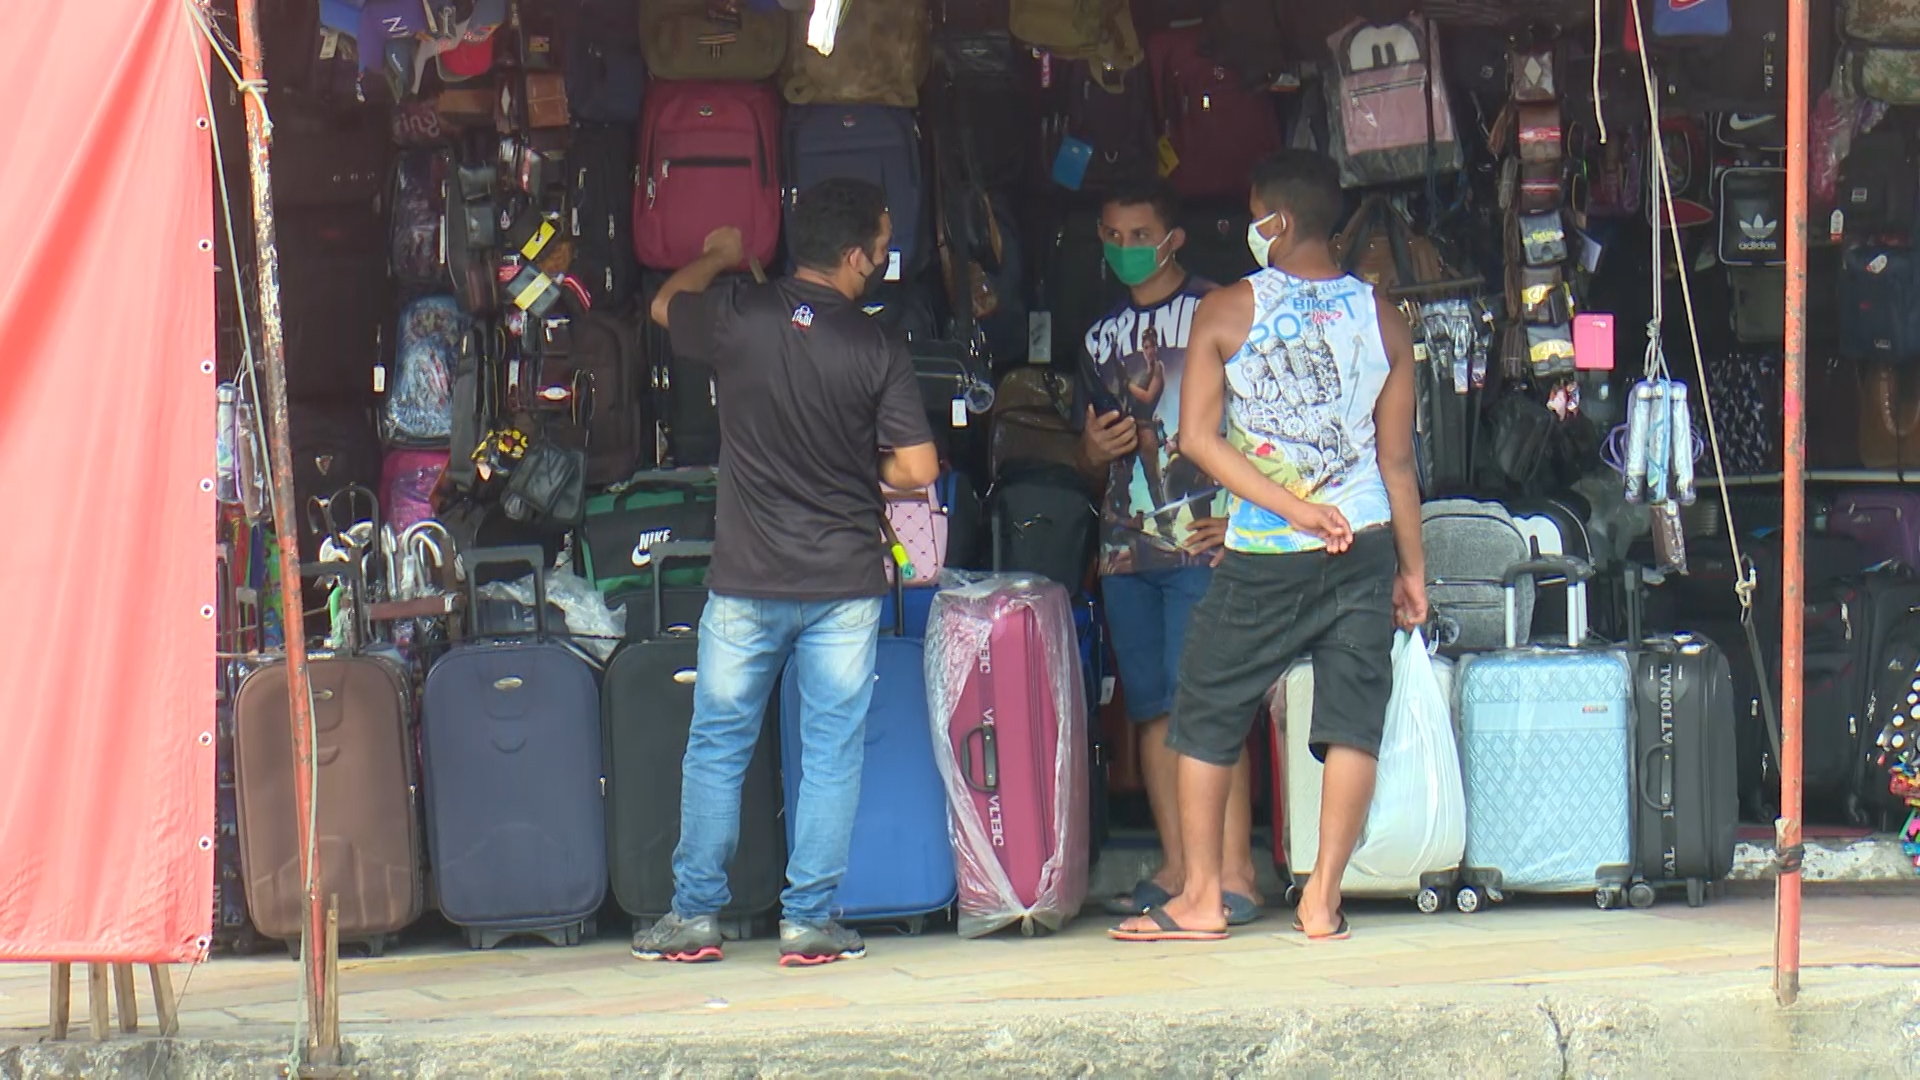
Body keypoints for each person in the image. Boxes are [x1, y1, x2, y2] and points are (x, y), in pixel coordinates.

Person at [1111, 150, 1427, 944]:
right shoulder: (1385, 318)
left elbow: (1197, 439)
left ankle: (1201, 899)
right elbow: (1397, 462)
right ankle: (1322, 899)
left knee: (1206, 708)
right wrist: (1413, 571)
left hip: (1266, 549)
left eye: (1256, 216)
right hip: (1363, 541)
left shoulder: (1226, 310)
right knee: (1353, 719)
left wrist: (1292, 508)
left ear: (1277, 221)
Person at [633, 179, 940, 966]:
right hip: (842, 582)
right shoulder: (875, 345)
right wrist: (861, 468)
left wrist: (716, 257)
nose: (884, 258)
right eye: (881, 246)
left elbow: (665, 305)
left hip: (745, 579)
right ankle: (807, 923)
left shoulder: (737, 314)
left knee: (717, 745)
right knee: (831, 751)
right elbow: (918, 467)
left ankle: (694, 917)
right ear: (854, 257)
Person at [1072, 180, 1262, 928]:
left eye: (1140, 234)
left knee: (1207, 707)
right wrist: (1091, 450)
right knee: (1151, 711)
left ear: (1174, 238)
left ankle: (1237, 871)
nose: (1125, 248)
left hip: (1205, 544)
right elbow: (1087, 455)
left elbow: (1264, 428)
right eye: (1112, 234)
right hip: (1127, 547)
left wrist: (1243, 517)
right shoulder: (1098, 337)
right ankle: (1181, 867)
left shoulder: (1223, 309)